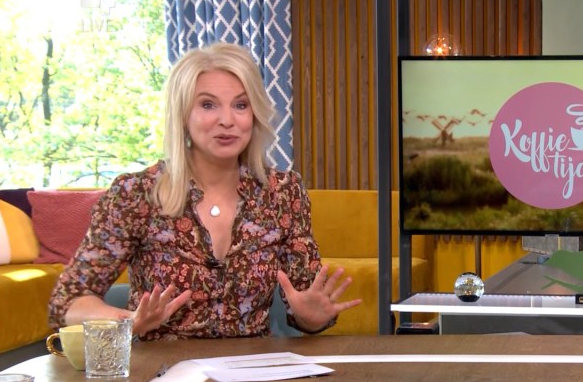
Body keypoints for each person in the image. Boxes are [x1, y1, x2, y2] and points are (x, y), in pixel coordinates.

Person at [49, 42, 362, 339]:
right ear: (183, 114)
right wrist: (130, 321)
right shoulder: (135, 193)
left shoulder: (283, 192)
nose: (227, 120)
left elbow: (306, 301)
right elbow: (69, 301)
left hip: (253, 369)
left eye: (241, 105)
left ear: (254, 114)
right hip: (162, 368)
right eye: (208, 105)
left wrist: (310, 318)